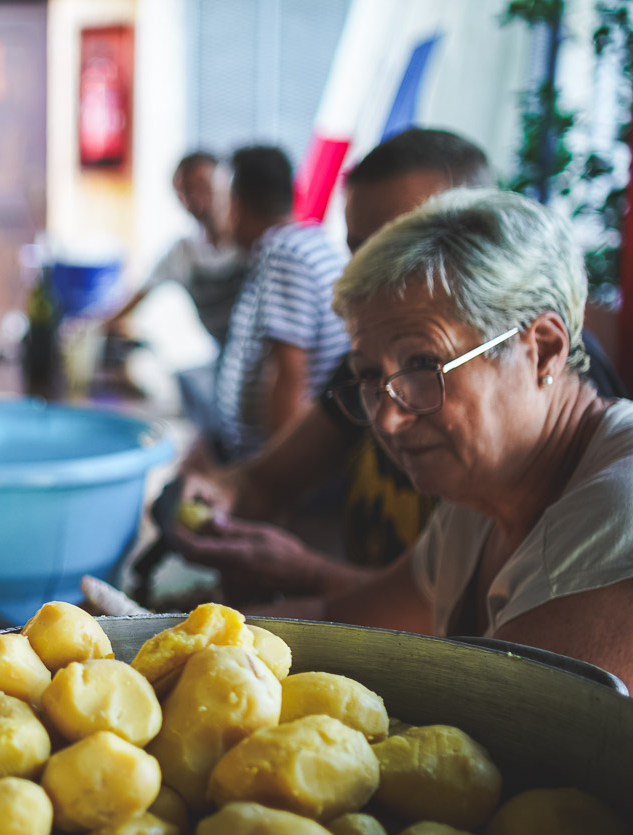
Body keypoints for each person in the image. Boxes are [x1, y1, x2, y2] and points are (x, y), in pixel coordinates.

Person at [167, 129, 625, 603]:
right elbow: (412, 607)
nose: (387, 417)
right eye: (360, 249)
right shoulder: (393, 385)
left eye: (409, 242)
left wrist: (304, 573)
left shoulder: (552, 440)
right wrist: (216, 494)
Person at [315, 188, 633, 685]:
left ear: (544, 350)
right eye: (370, 375)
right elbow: (339, 622)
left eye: (425, 364)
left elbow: (496, 720)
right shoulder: (483, 491)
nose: (390, 420)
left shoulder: (617, 516)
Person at [205, 145, 351, 462]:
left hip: (277, 458)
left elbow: (288, 374)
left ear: (235, 206)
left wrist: (272, 475)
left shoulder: (284, 254)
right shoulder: (308, 242)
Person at [103, 151, 247, 347]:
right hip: (224, 354)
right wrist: (95, 326)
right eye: (185, 192)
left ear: (225, 185)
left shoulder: (249, 242)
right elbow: (139, 295)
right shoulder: (183, 252)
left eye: (203, 187)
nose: (196, 200)